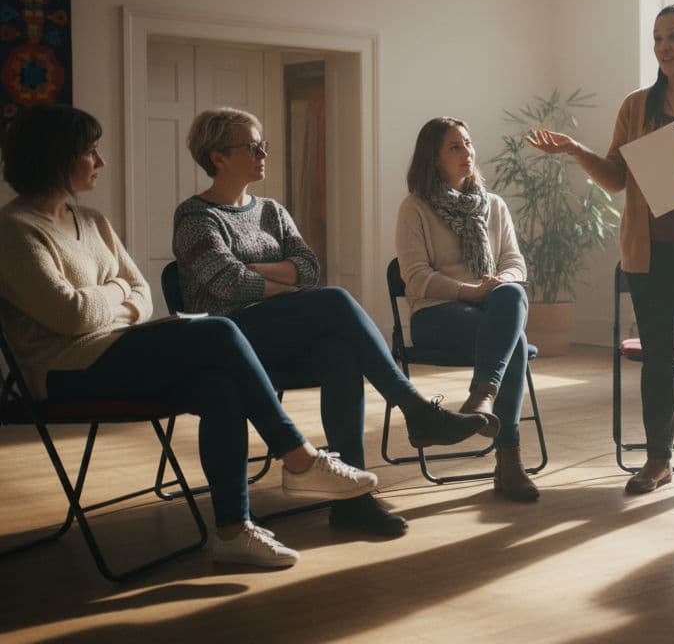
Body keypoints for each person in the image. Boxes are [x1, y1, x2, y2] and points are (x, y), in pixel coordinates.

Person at [0, 105, 379, 568]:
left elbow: (140, 295)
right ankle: (298, 457)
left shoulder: (93, 221)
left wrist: (111, 293)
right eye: (90, 152)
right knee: (217, 329)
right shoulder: (14, 230)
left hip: (115, 350)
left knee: (219, 387)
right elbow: (70, 314)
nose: (99, 162)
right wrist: (116, 291)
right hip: (61, 373)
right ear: (55, 157)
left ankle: (232, 529)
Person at [173, 107, 487, 536]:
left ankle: (352, 501)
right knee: (335, 301)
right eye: (251, 145)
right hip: (228, 342)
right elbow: (227, 283)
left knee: (340, 353)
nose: (263, 151)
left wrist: (256, 270)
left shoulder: (271, 211)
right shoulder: (195, 218)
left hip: (276, 338)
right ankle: (413, 409)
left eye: (262, 143)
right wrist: (279, 279)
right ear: (218, 156)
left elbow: (307, 268)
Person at [528, 3, 674, 498]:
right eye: (657, 38)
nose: (663, 47)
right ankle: (658, 461)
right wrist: (576, 150)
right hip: (650, 255)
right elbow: (616, 178)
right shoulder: (637, 106)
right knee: (658, 358)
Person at [395, 116, 538, 502]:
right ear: (433, 158)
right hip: (437, 314)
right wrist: (469, 291)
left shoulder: (494, 206)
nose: (467, 153)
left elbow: (514, 262)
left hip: (490, 310)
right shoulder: (416, 208)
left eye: (469, 144)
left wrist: (493, 285)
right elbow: (416, 277)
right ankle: (509, 459)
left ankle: (482, 396)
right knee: (515, 345)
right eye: (454, 147)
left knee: (512, 295)